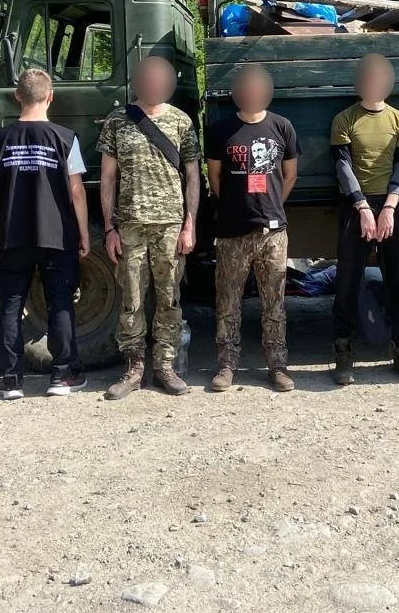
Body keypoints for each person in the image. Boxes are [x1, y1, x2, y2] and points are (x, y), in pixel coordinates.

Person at [0, 69, 89, 400]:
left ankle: (10, 380)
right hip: (57, 236)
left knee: (10, 304)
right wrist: (83, 233)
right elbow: (77, 192)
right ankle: (62, 376)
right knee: (60, 302)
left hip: (11, 236)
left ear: (17, 97)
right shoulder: (65, 138)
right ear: (50, 96)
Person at [97, 56, 201, 399]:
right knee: (131, 299)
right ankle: (134, 368)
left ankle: (165, 367)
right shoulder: (117, 121)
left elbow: (193, 177)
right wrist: (109, 229)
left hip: (170, 225)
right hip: (129, 225)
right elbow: (107, 178)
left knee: (170, 297)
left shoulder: (181, 121)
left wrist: (189, 224)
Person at [206, 64, 300, 392]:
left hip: (273, 233)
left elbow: (290, 175)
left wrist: (272, 206)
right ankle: (226, 366)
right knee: (228, 301)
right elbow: (214, 178)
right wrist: (237, 206)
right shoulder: (221, 130)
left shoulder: (282, 126)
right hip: (232, 231)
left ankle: (277, 366)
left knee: (274, 302)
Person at [329, 53, 399, 385]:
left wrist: (390, 207)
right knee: (347, 284)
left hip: (392, 207)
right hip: (356, 209)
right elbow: (343, 167)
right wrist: (363, 208)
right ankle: (343, 352)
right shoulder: (344, 119)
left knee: (398, 283)